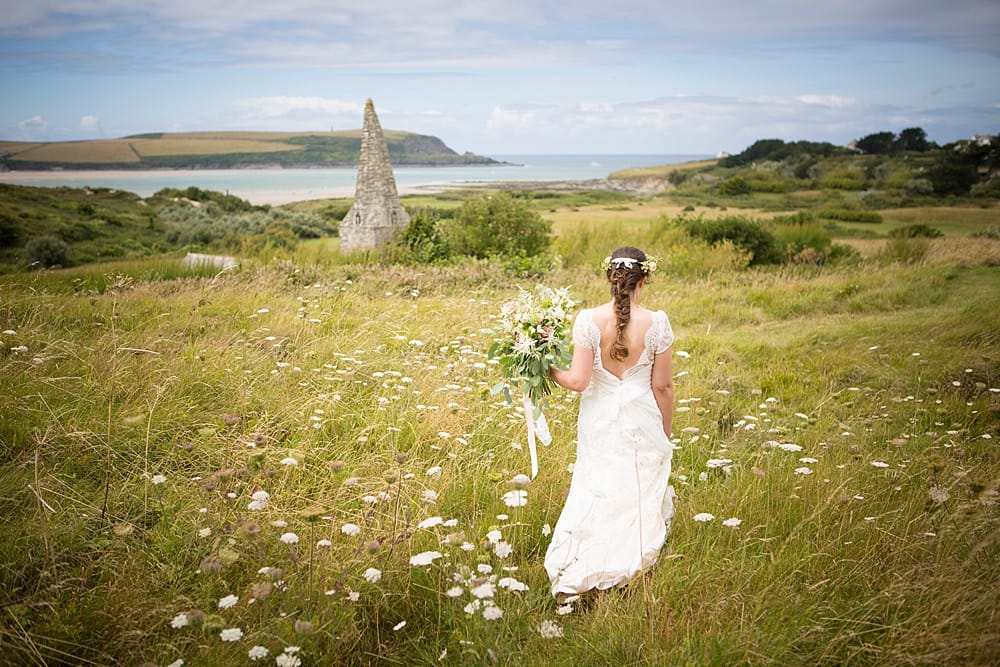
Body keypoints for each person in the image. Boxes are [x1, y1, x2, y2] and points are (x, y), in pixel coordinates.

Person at [545, 246, 675, 603]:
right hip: (641, 418)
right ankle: (626, 561)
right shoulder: (657, 322)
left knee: (596, 484)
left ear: (610, 278)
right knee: (635, 488)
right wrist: (664, 431)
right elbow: (662, 386)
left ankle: (584, 563)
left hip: (599, 418)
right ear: (643, 280)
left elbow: (578, 381)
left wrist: (545, 368)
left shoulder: (588, 320)